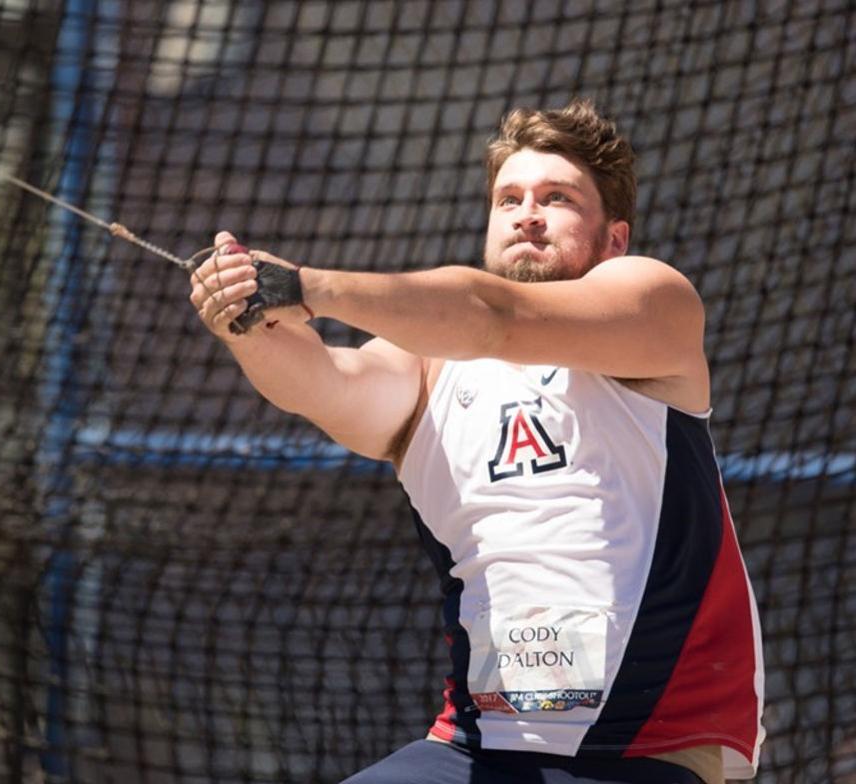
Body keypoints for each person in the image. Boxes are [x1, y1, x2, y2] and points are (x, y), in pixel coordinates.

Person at [188, 99, 764, 784]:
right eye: (508, 199)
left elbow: (495, 315)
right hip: (476, 746)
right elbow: (325, 382)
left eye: (556, 198)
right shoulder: (430, 366)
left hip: (645, 752)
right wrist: (246, 325)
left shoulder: (651, 298)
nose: (527, 214)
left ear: (614, 238)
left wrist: (310, 288)